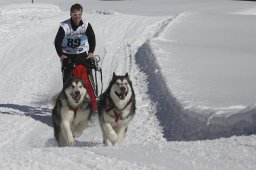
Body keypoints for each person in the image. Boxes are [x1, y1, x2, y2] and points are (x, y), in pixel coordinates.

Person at [54, 3, 97, 112]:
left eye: (79, 14)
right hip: (68, 55)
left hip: (82, 54)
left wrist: (91, 52)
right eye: (74, 14)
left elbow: (92, 38)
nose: (77, 17)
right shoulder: (64, 26)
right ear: (70, 14)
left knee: (87, 77)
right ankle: (67, 104)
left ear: (82, 14)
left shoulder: (86, 25)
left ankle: (92, 101)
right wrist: (61, 56)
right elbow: (57, 41)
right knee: (68, 79)